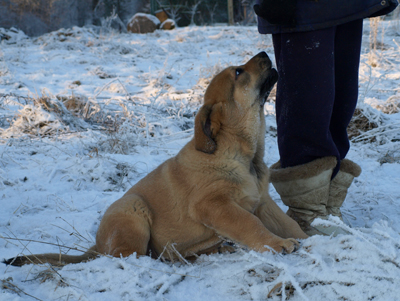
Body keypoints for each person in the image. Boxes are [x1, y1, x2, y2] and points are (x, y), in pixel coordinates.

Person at [254, 0, 399, 235]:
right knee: (308, 99)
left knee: (340, 99)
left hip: (347, 5)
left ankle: (328, 205)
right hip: (302, 8)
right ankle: (306, 211)